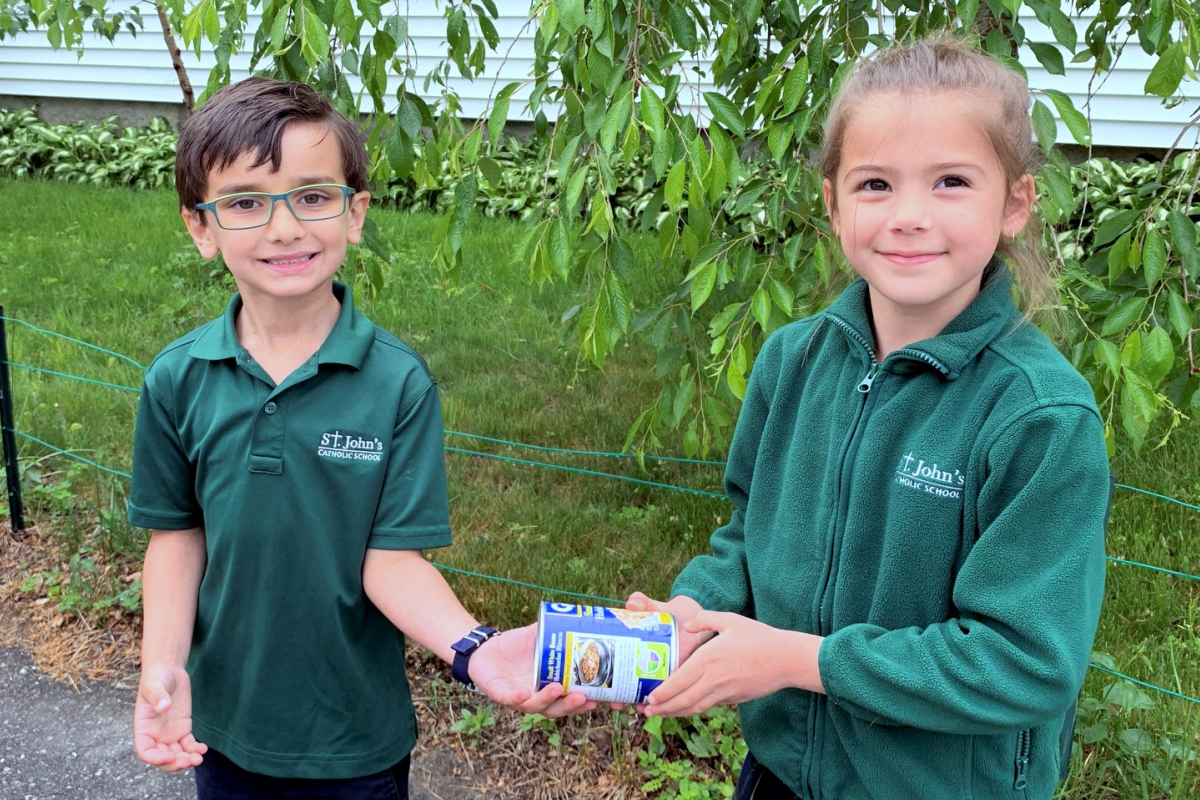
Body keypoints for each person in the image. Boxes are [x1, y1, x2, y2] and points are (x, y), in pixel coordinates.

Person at [627, 36, 1111, 800]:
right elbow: (748, 536)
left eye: (952, 181)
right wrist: (695, 609)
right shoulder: (791, 362)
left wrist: (800, 661)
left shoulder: (1038, 417)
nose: (909, 217)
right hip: (782, 774)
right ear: (833, 203)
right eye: (875, 184)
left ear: (1015, 204)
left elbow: (1027, 661)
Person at [128, 78, 592, 798]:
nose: (285, 227)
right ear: (201, 228)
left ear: (355, 213)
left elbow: (391, 562)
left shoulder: (397, 384)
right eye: (247, 202)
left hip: (355, 740)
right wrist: (162, 666)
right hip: (221, 725)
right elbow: (177, 537)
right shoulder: (176, 380)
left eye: (313, 196)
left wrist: (475, 650)